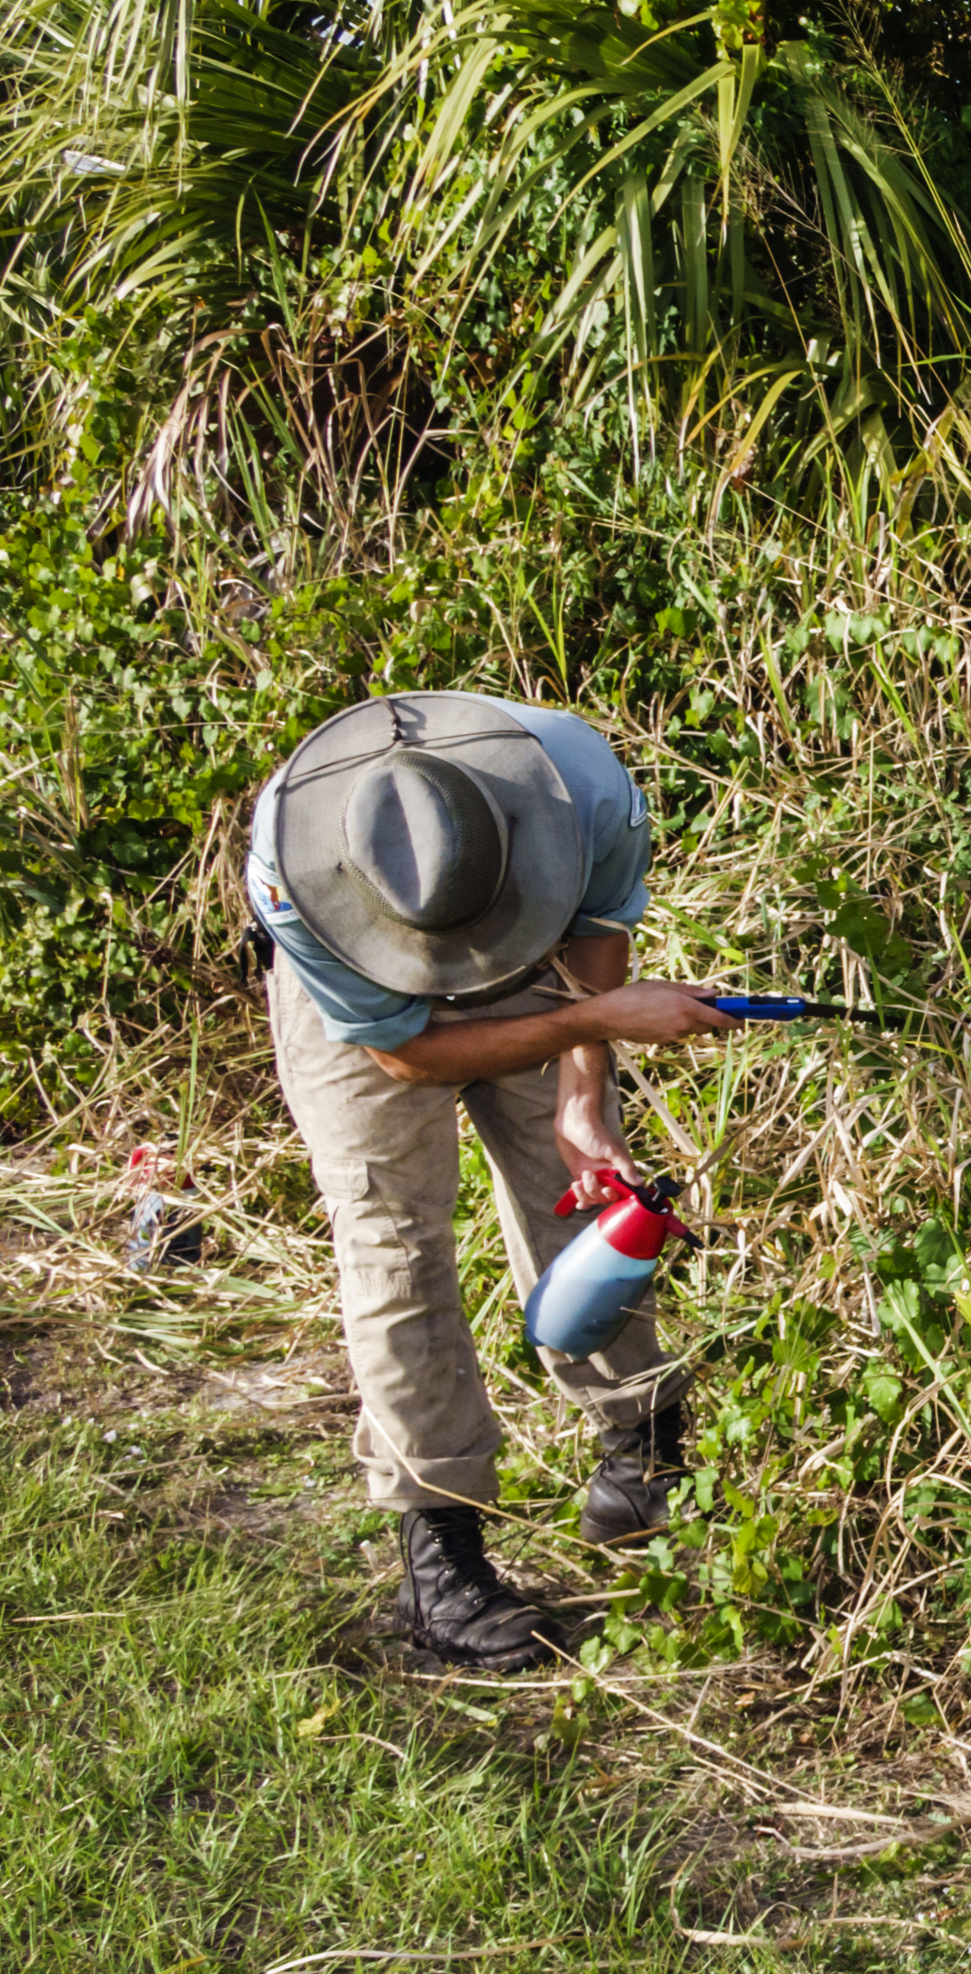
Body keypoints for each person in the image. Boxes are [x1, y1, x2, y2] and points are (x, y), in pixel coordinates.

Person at [252, 691, 737, 1669]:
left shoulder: (585, 787)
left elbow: (595, 941)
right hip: (361, 1008)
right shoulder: (290, 873)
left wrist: (583, 1099)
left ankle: (639, 1464)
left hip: (531, 951)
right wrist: (578, 1030)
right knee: (394, 1248)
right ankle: (443, 1554)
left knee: (592, 1199)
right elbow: (403, 1056)